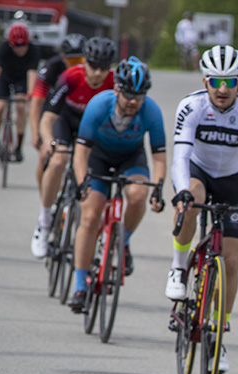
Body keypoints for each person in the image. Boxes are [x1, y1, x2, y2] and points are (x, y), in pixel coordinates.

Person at [164, 45, 238, 374]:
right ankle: (178, 266)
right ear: (205, 80)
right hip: (197, 172)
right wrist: (183, 190)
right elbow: (180, 156)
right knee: (191, 200)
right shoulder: (191, 106)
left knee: (230, 260)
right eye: (215, 81)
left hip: (232, 180)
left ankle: (219, 333)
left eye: (230, 81)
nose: (222, 88)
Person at [67, 57, 167, 311]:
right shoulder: (99, 105)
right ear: (116, 90)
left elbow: (159, 156)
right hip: (98, 157)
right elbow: (81, 150)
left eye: (139, 95)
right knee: (90, 216)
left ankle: (123, 241)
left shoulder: (151, 111)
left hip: (130, 157)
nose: (133, 101)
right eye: (128, 95)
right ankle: (80, 286)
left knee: (137, 195)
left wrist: (158, 188)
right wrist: (81, 182)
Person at [30, 37, 117, 259]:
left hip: (93, 129)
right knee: (58, 160)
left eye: (104, 68)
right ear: (84, 63)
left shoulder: (114, 83)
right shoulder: (70, 77)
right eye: (93, 66)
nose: (98, 73)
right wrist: (49, 140)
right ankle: (45, 220)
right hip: (66, 122)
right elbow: (48, 116)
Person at [29, 33, 86, 185]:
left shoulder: (90, 71)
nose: (76, 65)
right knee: (46, 155)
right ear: (63, 58)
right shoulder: (51, 67)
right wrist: (36, 132)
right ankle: (45, 199)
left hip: (79, 113)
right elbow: (37, 101)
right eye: (72, 60)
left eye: (80, 60)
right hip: (55, 112)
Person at [0, 23, 39, 162]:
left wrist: (31, 95)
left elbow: (32, 73)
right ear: (11, 44)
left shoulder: (33, 50)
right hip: (5, 77)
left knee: (20, 107)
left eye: (24, 46)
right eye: (17, 46)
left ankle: (18, 147)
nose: (21, 50)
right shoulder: (4, 48)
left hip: (21, 79)